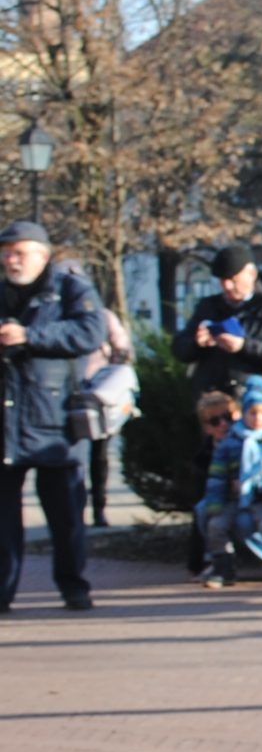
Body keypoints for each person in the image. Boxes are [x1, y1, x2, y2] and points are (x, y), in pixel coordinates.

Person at [0, 221, 108, 612]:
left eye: (20, 252)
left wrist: (30, 337)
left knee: (65, 518)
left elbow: (90, 333)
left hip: (55, 423)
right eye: (7, 253)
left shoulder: (69, 289)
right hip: (6, 423)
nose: (12, 260)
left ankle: (74, 588)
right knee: (3, 522)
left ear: (43, 256)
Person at [197, 376, 262, 588]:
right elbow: (217, 475)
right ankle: (223, 567)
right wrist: (216, 502)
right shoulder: (232, 441)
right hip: (235, 499)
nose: (257, 418)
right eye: (252, 413)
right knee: (216, 524)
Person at [182, 241, 262, 401]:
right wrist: (197, 343)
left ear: (251, 274)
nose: (227, 286)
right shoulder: (209, 306)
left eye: (233, 280)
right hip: (214, 402)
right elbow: (180, 347)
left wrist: (243, 346)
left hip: (256, 401)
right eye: (222, 281)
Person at [78, 298, 136, 529]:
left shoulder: (103, 317)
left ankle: (98, 509)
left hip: (99, 395)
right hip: (71, 394)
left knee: (99, 456)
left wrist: (111, 373)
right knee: (76, 460)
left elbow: (123, 349)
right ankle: (77, 510)